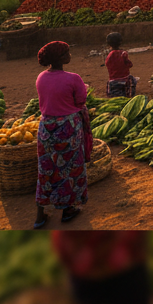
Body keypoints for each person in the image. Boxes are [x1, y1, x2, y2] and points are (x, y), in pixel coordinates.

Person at [33, 41, 90, 229]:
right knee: (70, 169)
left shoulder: (41, 77)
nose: (70, 55)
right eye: (67, 52)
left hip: (46, 128)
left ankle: (40, 215)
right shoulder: (73, 78)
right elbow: (80, 101)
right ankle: (67, 210)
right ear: (61, 58)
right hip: (68, 129)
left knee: (46, 169)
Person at [104, 32, 136, 98]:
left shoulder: (108, 55)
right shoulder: (123, 53)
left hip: (113, 80)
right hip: (125, 79)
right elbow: (129, 64)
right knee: (133, 81)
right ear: (120, 42)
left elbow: (108, 64)